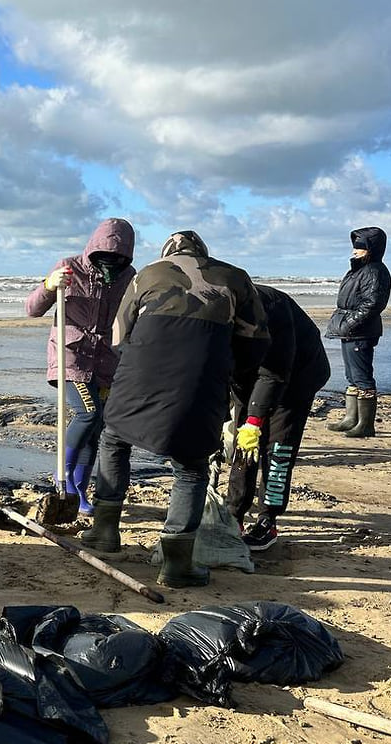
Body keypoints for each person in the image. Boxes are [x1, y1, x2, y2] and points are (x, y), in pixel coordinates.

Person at [80, 230, 269, 588]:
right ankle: (176, 562)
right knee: (192, 468)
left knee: (114, 440)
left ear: (167, 253)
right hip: (200, 383)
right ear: (204, 253)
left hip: (138, 377)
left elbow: (119, 337)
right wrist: (227, 370)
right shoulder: (235, 278)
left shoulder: (148, 274)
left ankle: (105, 531)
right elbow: (256, 341)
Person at [24, 218, 136, 514]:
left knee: (96, 426)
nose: (110, 264)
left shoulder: (129, 276)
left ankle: (80, 489)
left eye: (118, 258)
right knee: (88, 413)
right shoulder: (69, 266)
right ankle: (64, 479)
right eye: (104, 257)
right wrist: (50, 285)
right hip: (69, 357)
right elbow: (32, 309)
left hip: (105, 362)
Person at [226, 284, 330, 551]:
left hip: (297, 374)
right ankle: (233, 514)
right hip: (251, 378)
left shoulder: (272, 309)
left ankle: (268, 519)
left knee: (278, 446)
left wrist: (255, 420)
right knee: (242, 445)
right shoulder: (213, 310)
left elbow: (274, 373)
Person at [325, 227, 391, 438]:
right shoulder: (359, 269)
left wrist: (351, 323)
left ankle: (366, 424)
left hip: (360, 331)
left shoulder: (375, 271)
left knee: (362, 377)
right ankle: (351, 418)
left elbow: (373, 304)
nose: (355, 251)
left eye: (360, 247)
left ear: (370, 249)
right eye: (355, 246)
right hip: (350, 329)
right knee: (351, 375)